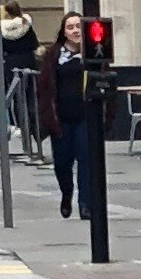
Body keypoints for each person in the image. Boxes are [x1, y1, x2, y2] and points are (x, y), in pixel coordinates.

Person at [37, 12, 94, 221]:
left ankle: (86, 203)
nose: (75, 31)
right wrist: (46, 117)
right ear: (63, 31)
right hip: (60, 117)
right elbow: (44, 88)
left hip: (85, 117)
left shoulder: (93, 53)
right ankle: (66, 193)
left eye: (78, 26)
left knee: (86, 160)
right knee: (62, 162)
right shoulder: (53, 56)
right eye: (70, 27)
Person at [0, 0, 40, 151]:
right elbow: (34, 44)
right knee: (30, 97)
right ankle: (35, 129)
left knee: (16, 97)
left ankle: (21, 127)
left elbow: (0, 47)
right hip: (27, 61)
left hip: (11, 63)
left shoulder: (2, 28)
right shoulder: (26, 24)